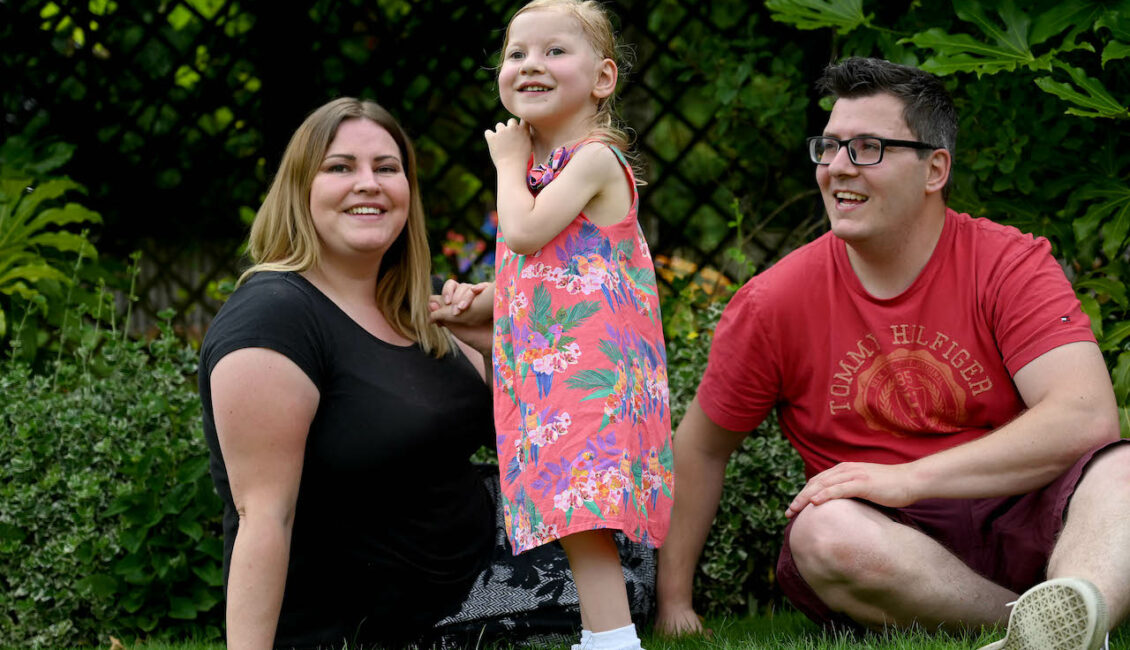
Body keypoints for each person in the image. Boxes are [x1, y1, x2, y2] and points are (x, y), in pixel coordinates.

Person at [654, 57, 1130, 649]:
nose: (837, 168)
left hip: (1025, 517)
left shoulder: (1008, 263)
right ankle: (1045, 625)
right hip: (888, 543)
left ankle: (1071, 602)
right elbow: (700, 446)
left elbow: (1085, 418)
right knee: (821, 532)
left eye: (868, 148)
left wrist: (910, 477)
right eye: (828, 148)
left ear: (935, 169)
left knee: (1122, 471)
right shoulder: (772, 302)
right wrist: (673, 601)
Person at [199, 97, 657, 650]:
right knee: (614, 578)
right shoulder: (273, 319)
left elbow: (546, 441)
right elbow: (262, 515)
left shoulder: (419, 302)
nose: (368, 183)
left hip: (473, 547)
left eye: (386, 168)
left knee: (613, 533)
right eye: (340, 167)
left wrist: (498, 351)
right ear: (299, 189)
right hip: (388, 610)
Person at [482, 1, 674, 648]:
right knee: (573, 513)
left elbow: (525, 232)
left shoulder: (592, 161)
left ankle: (614, 639)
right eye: (517, 53)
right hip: (553, 375)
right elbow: (552, 272)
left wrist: (507, 165)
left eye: (554, 51)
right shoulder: (540, 172)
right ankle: (602, 634)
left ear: (603, 79)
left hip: (588, 378)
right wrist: (478, 300)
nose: (531, 64)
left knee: (584, 513)